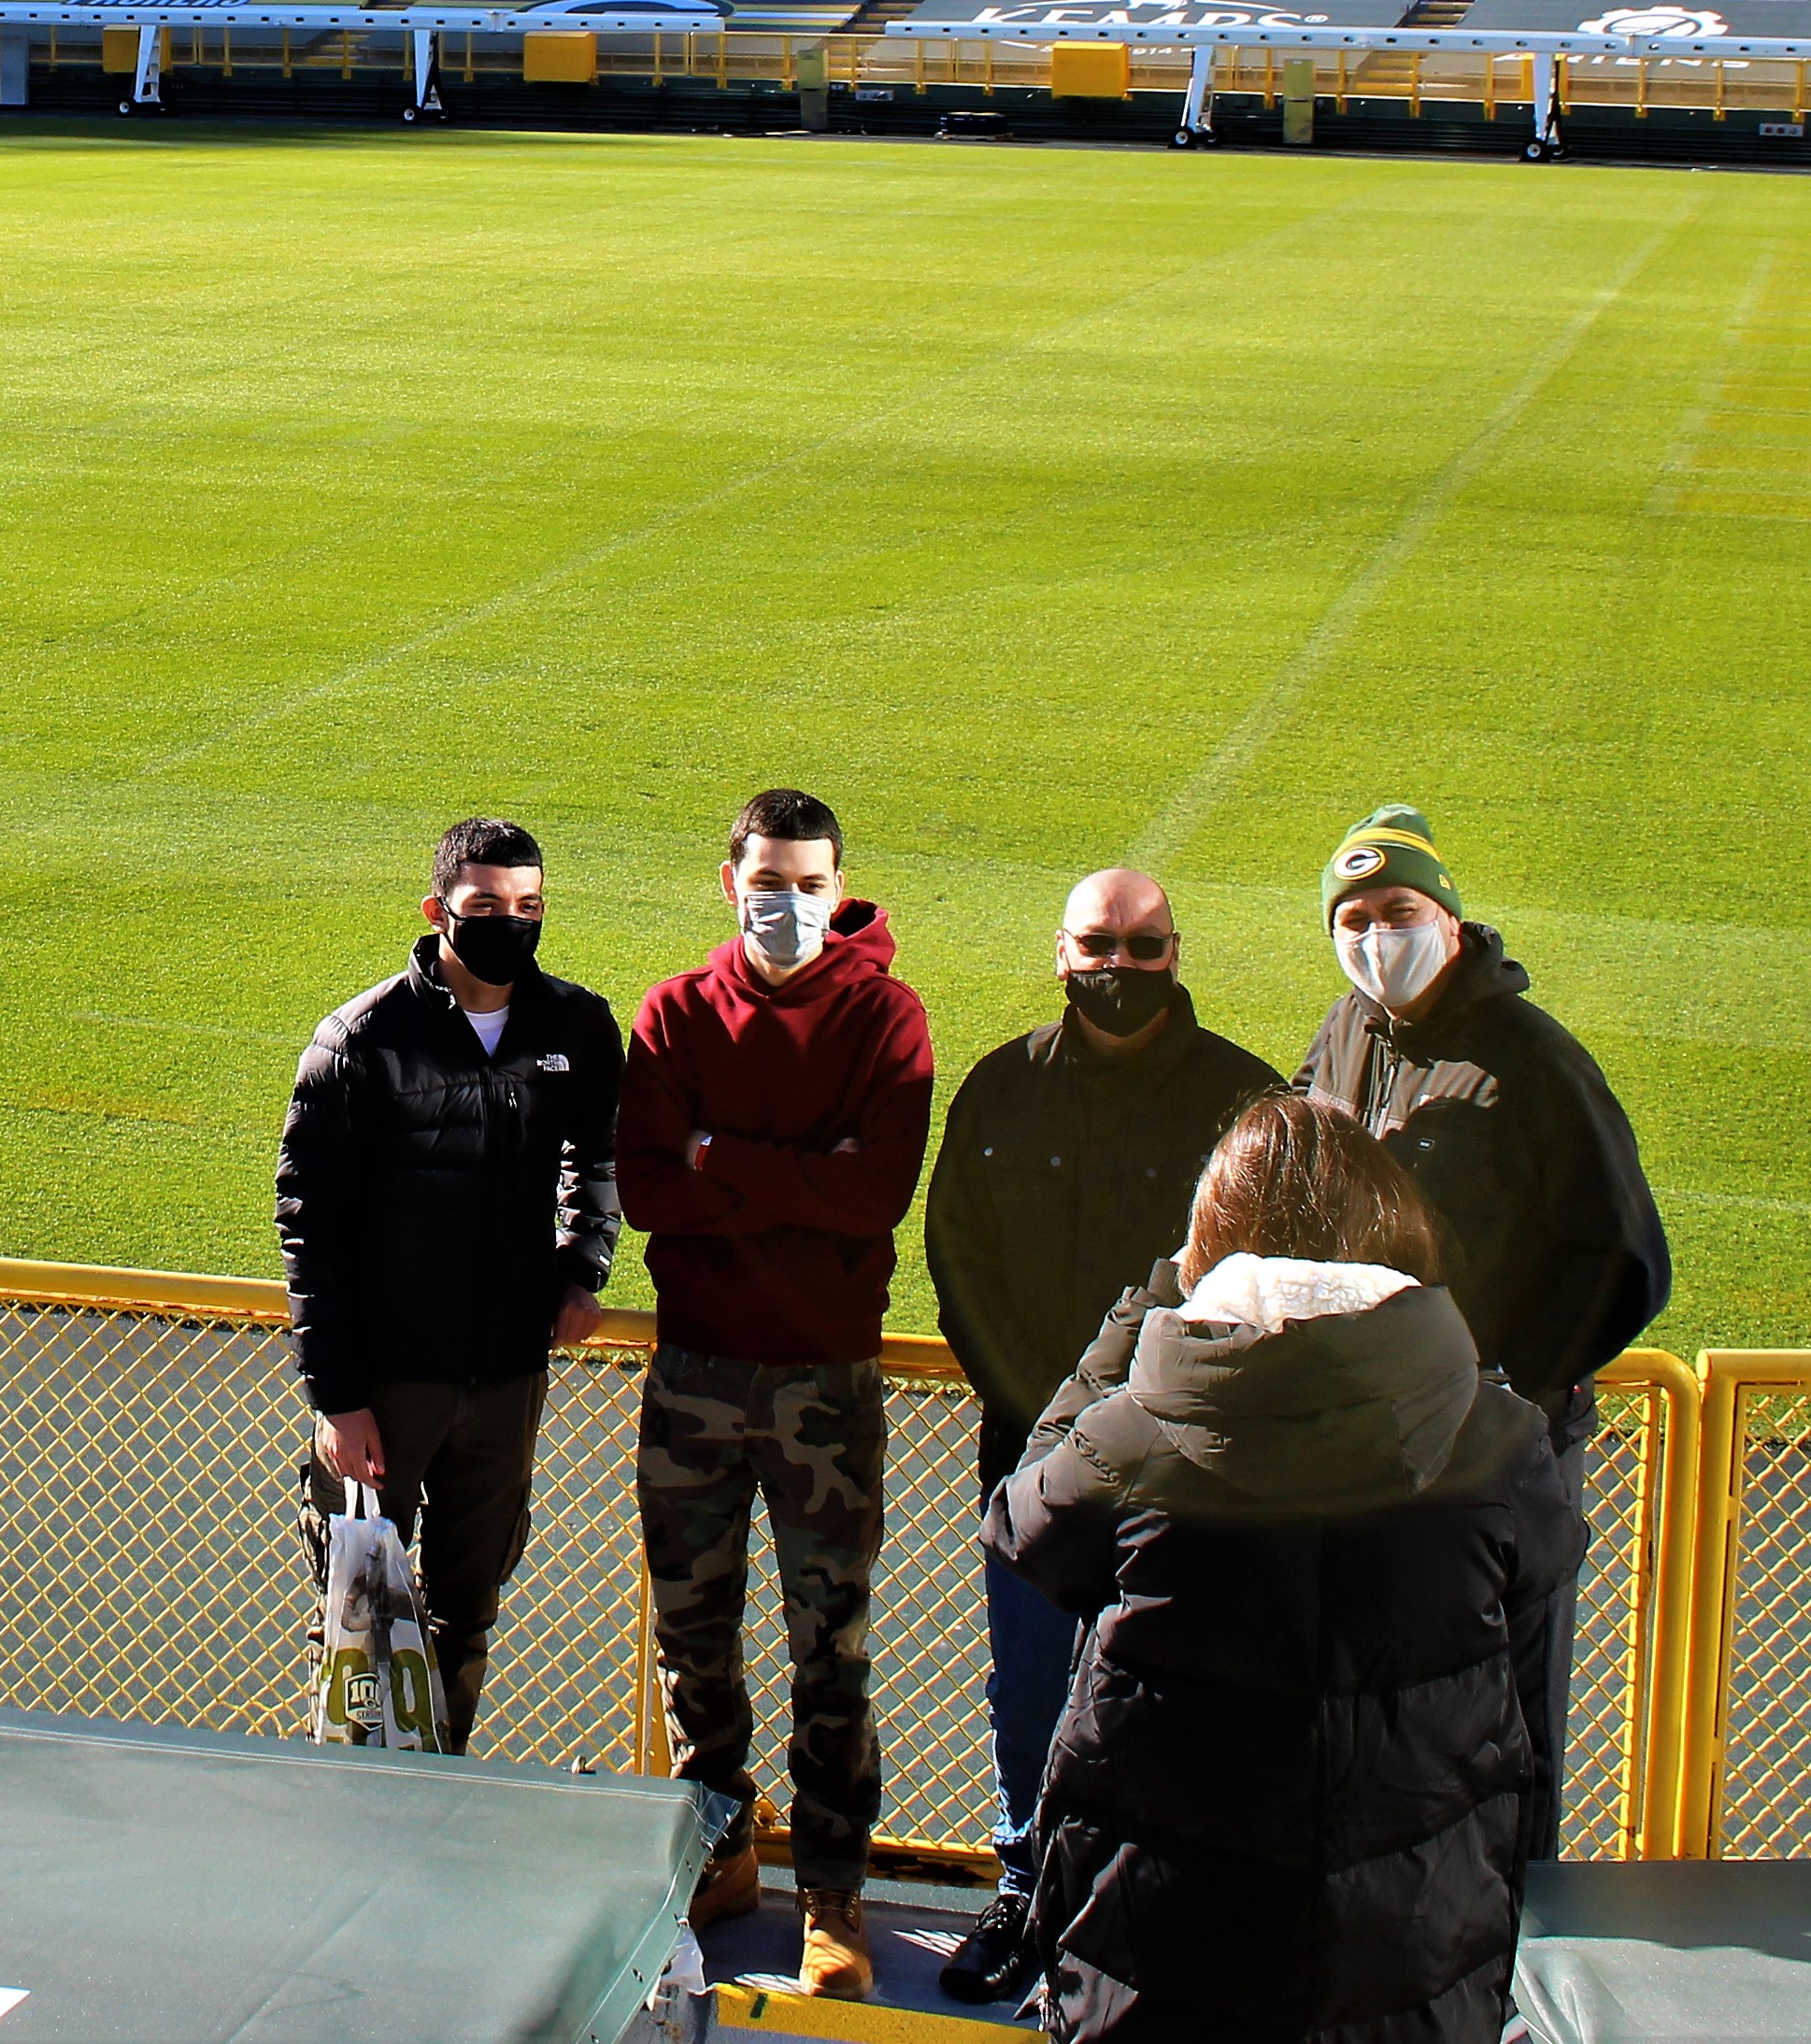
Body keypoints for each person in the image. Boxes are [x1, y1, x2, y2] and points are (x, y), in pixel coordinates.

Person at [995, 1094, 1583, 2042]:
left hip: (1166, 1938)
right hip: (1408, 1934)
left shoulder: (1137, 1432)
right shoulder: (1492, 1432)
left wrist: (1146, 1306)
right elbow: (1541, 1568)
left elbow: (1024, 1530)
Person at [920, 867, 1277, 2006]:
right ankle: (1030, 1888)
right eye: (1097, 946)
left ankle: (1151, 1922)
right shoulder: (1000, 1087)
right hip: (1034, 1470)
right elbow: (957, 1263)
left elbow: (1265, 1284)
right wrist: (1051, 1426)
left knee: (1176, 1705)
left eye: (1143, 945)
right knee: (1028, 1699)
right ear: (1060, 953)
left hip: (1192, 1480)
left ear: (1177, 952)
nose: (1118, 968)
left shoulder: (1247, 1102)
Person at [615, 789, 934, 2002]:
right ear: (729, 880)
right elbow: (650, 1190)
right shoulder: (676, 1013)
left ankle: (836, 1897)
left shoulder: (885, 1018)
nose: (787, 903)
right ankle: (721, 1847)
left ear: (838, 886)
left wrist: (719, 1158)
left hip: (825, 1385)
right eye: (768, 880)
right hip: (695, 1374)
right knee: (693, 1642)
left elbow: (876, 1196)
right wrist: (798, 1177)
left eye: (809, 884)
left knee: (828, 1656)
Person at [1299, 802, 1669, 1850]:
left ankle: (1516, 1952)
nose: (1375, 934)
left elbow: (1628, 1262)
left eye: (1399, 909)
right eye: (1353, 916)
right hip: (1374, 1436)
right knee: (1386, 1695)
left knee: (1504, 1710)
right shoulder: (1346, 1030)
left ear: (1450, 921)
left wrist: (1508, 1389)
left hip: (1498, 1449)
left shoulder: (1533, 1062)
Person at [273, 815, 624, 1750]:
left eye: (530, 906)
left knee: (467, 1611)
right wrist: (338, 1400)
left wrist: (584, 1267)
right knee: (360, 1614)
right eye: (486, 907)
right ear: (438, 912)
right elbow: (308, 1226)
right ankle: (360, 1803)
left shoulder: (576, 1026)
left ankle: (441, 1786)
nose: (511, 922)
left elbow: (599, 1161)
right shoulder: (361, 1038)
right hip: (386, 1387)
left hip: (507, 1376)